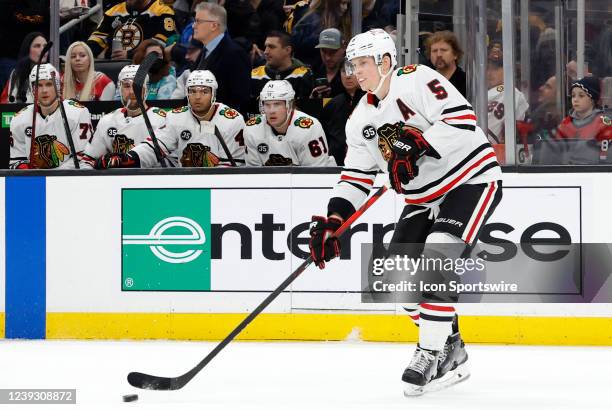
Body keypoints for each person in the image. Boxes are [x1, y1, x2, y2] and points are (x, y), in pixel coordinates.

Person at [307, 29, 501, 395]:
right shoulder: (358, 118)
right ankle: (451, 346)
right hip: (422, 198)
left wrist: (417, 146)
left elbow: (462, 121)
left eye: (362, 63)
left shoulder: (417, 79)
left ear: (384, 61)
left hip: (470, 180)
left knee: (436, 255)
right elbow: (356, 176)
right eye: (352, 65)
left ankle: (428, 353)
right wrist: (335, 219)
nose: (355, 72)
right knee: (397, 282)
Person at [97, 70, 246, 168]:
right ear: (186, 94)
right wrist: (127, 159)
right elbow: (155, 147)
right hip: (183, 186)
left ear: (213, 94)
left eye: (204, 91)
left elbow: (235, 167)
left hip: (219, 190)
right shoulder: (176, 117)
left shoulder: (232, 120)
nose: (198, 97)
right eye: (192, 91)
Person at [75, 65, 166, 169]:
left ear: (146, 88)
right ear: (120, 89)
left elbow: (171, 163)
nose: (132, 92)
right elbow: (88, 160)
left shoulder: (161, 119)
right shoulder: (108, 120)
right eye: (127, 86)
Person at [10, 63, 92, 169]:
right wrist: (35, 176)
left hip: (70, 181)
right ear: (32, 88)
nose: (44, 90)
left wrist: (53, 177)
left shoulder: (78, 113)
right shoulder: (19, 119)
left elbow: (84, 160)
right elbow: (17, 161)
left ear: (58, 86)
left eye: (49, 84)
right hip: (36, 182)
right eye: (39, 85)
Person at [244, 80, 335, 166]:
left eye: (277, 104)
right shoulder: (252, 129)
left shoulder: (309, 128)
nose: (271, 111)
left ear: (290, 105)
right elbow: (253, 174)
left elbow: (315, 174)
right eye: (267, 104)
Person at [191, 2, 251, 114]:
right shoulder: (204, 51)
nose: (193, 25)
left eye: (198, 21)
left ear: (214, 25)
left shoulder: (235, 54)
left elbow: (240, 98)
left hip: (223, 125)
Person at [87, 0, 178, 60]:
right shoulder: (112, 12)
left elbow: (161, 44)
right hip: (113, 67)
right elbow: (96, 40)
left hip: (147, 67)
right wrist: (83, 52)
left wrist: (130, 54)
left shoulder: (163, 11)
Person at [484, 42, 529, 156]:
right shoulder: (477, 94)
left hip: (497, 152)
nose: (490, 73)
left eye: (496, 69)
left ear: (508, 70)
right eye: (488, 68)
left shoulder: (512, 93)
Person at [555, 77, 612, 163]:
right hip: (567, 171)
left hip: (594, 172)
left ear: (592, 99)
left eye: (581, 96)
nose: (575, 99)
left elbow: (607, 155)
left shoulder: (603, 123)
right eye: (573, 95)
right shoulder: (565, 123)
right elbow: (556, 150)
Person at [251, 31, 314, 106]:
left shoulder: (304, 75)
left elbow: (308, 110)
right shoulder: (254, 75)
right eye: (266, 47)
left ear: (287, 50)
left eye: (271, 47)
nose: (266, 52)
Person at [319, 64, 364, 165]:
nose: (348, 76)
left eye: (352, 71)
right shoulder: (332, 105)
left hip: (365, 165)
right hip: (336, 167)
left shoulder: (373, 101)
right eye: (344, 71)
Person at [291, 0, 351, 68]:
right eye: (342, 3)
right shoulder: (313, 20)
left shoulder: (344, 20)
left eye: (347, 4)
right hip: (310, 68)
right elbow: (296, 43)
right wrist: (323, 38)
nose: (345, 7)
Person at [1, 32, 47, 103]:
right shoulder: (16, 74)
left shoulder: (54, 73)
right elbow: (5, 104)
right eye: (37, 46)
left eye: (45, 46)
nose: (43, 49)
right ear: (28, 49)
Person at [425, 30, 466, 98]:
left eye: (443, 50)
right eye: (434, 51)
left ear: (455, 54)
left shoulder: (466, 83)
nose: (438, 55)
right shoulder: (426, 82)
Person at [310, 28, 345, 99]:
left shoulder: (352, 74)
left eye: (333, 52)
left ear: (344, 48)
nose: (327, 57)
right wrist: (312, 100)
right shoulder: (311, 73)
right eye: (324, 51)